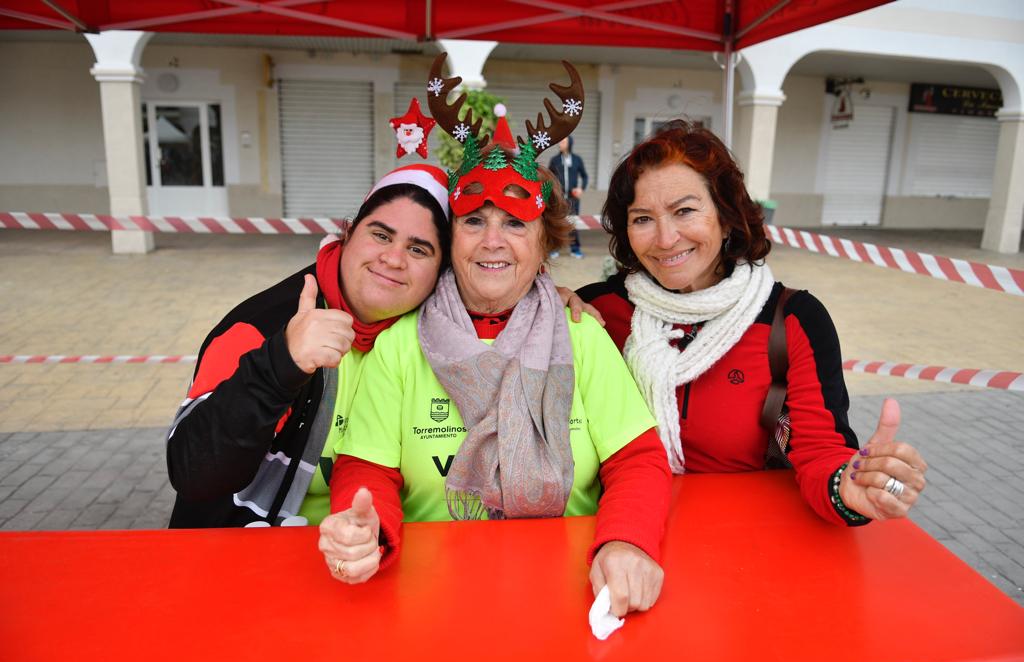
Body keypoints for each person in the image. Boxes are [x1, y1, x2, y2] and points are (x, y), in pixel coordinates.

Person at [319, 62, 672, 619]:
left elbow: (638, 460)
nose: (492, 242)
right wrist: (367, 528)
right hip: (428, 594)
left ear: (543, 243)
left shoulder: (578, 335)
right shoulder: (400, 343)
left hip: (568, 588)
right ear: (448, 236)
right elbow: (368, 469)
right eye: (473, 220)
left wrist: (627, 540)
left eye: (514, 223)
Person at [576, 120, 927, 526]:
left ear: (726, 217)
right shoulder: (597, 311)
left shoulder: (793, 318)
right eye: (642, 219)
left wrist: (847, 488)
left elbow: (820, 452)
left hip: (743, 544)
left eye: (684, 211)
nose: (665, 238)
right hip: (622, 534)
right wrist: (542, 303)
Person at [166, 164, 452, 527]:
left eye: (418, 249)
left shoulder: (439, 338)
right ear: (347, 233)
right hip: (244, 560)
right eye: (381, 235)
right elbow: (193, 472)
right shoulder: (261, 325)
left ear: (441, 269)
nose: (393, 259)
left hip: (372, 558)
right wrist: (282, 363)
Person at [548, 135, 588, 259]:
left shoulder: (577, 160)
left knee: (573, 223)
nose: (560, 144)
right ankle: (554, 248)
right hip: (558, 198)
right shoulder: (555, 160)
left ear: (569, 143)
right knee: (557, 223)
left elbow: (584, 176)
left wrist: (581, 188)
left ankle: (575, 249)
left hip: (573, 198)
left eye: (563, 142)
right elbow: (549, 177)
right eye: (560, 142)